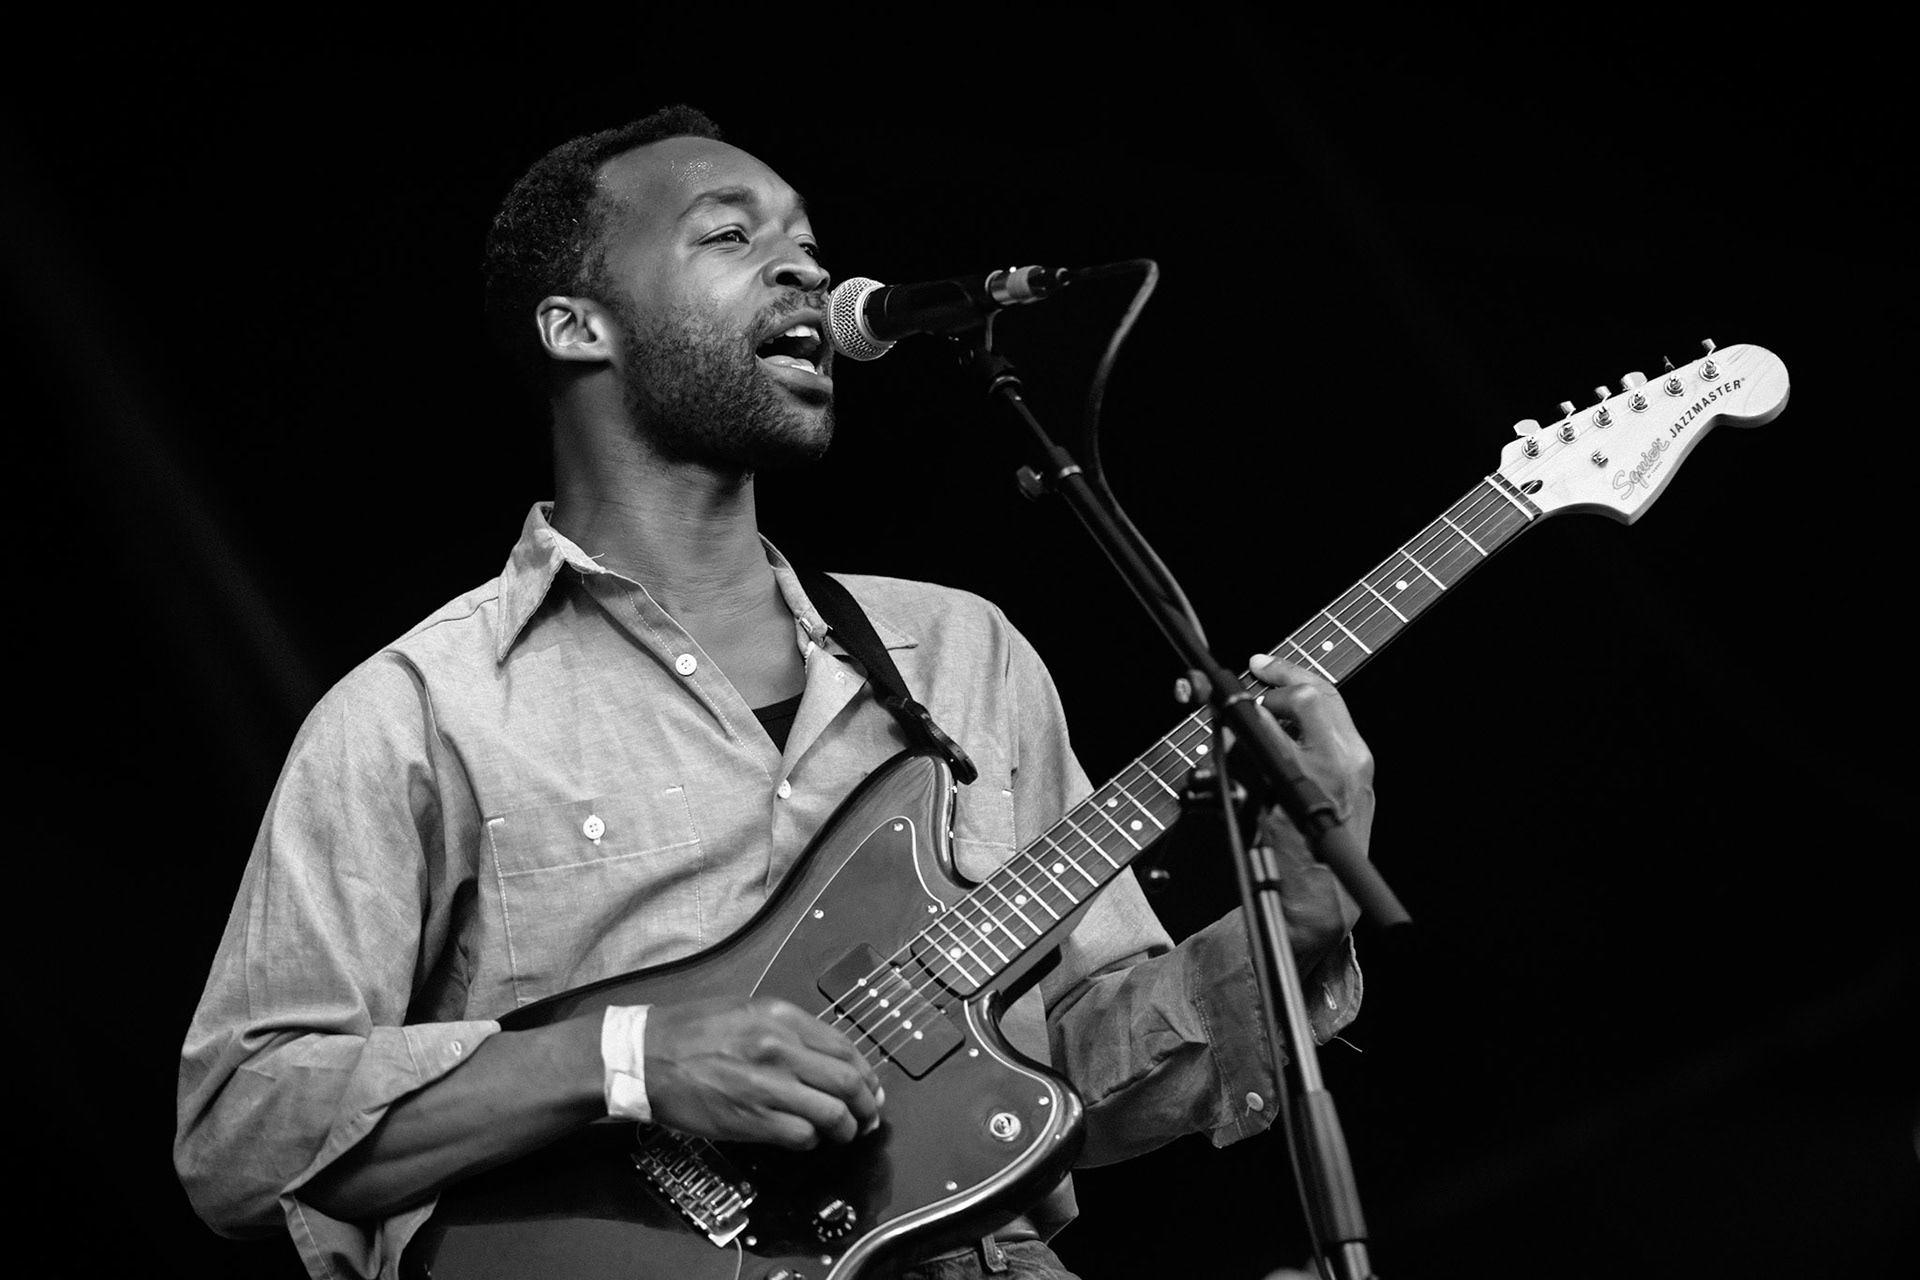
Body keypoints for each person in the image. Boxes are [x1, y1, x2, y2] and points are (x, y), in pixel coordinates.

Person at [174, 105, 1375, 1280]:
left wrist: (1304, 912)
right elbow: (242, 1125)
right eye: (729, 235)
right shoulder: (419, 708)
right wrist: (628, 1057)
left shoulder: (961, 652)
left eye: (806, 234)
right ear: (576, 325)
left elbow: (1081, 1079)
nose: (805, 265)